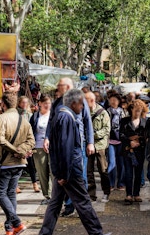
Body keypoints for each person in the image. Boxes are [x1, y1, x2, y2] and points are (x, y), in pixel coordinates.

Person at [39, 89, 105, 235]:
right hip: (70, 170)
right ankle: (96, 232)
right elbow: (65, 149)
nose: (82, 108)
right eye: (81, 104)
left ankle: (45, 232)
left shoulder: (63, 115)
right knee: (83, 202)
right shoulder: (66, 118)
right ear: (74, 103)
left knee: (55, 204)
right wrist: (63, 175)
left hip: (65, 170)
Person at [44, 77, 94, 217]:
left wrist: (90, 142)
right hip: (60, 146)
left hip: (77, 146)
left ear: (67, 87)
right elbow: (51, 122)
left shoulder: (79, 101)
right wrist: (47, 137)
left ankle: (80, 207)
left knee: (78, 176)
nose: (57, 87)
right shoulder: (57, 103)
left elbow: (87, 121)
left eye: (60, 85)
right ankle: (69, 206)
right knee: (63, 176)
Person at [0, 92, 35, 235]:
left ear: (3, 104)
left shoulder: (1, 118)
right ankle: (10, 228)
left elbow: (1, 140)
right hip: (20, 162)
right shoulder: (23, 120)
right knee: (10, 193)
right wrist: (21, 151)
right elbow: (31, 141)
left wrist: (15, 150)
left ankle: (16, 222)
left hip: (6, 161)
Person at [85, 91, 111, 202]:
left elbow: (106, 129)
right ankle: (91, 195)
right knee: (89, 171)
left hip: (100, 145)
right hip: (88, 145)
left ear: (92, 100)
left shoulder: (102, 112)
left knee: (103, 170)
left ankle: (106, 192)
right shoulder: (83, 113)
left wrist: (93, 135)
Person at [120, 99, 147, 204]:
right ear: (131, 109)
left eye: (139, 111)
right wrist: (129, 142)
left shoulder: (145, 121)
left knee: (139, 172)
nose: (137, 113)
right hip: (128, 150)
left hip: (140, 150)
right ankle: (129, 194)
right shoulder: (124, 121)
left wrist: (140, 142)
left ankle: (136, 193)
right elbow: (120, 135)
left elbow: (147, 136)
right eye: (136, 110)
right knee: (128, 173)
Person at [30, 95, 52, 203]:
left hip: (52, 147)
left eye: (49, 103)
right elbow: (30, 132)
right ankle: (47, 195)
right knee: (42, 172)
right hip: (38, 147)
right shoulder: (34, 117)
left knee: (53, 172)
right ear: (40, 104)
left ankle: (55, 195)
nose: (47, 105)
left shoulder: (53, 116)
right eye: (45, 103)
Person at [18, 96, 39, 193]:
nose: (24, 104)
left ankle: (35, 184)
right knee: (19, 163)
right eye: (23, 102)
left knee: (30, 164)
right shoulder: (16, 114)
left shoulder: (31, 115)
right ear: (19, 103)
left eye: (26, 102)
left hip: (28, 140)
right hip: (18, 141)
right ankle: (16, 185)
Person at [106, 92, 125, 191]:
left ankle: (121, 183)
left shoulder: (122, 112)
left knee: (121, 163)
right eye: (111, 100)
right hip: (110, 141)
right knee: (111, 162)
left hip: (121, 141)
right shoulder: (106, 112)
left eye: (115, 100)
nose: (113, 102)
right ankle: (111, 183)